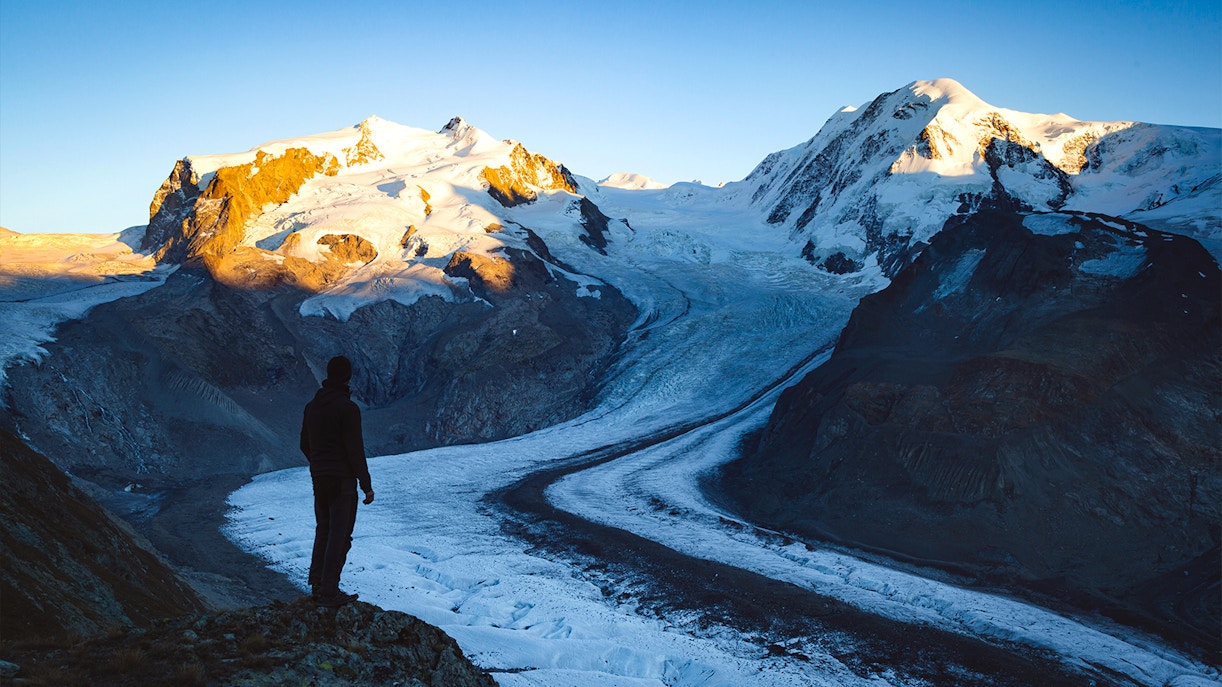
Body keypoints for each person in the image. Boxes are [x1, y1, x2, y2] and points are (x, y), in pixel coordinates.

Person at [300, 355, 374, 607]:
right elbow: (355, 450)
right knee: (340, 536)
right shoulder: (347, 409)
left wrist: (319, 465)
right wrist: (366, 485)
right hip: (342, 482)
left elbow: (304, 444)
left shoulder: (312, 407)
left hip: (319, 480)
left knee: (323, 530)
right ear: (347, 376)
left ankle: (317, 585)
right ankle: (330, 591)